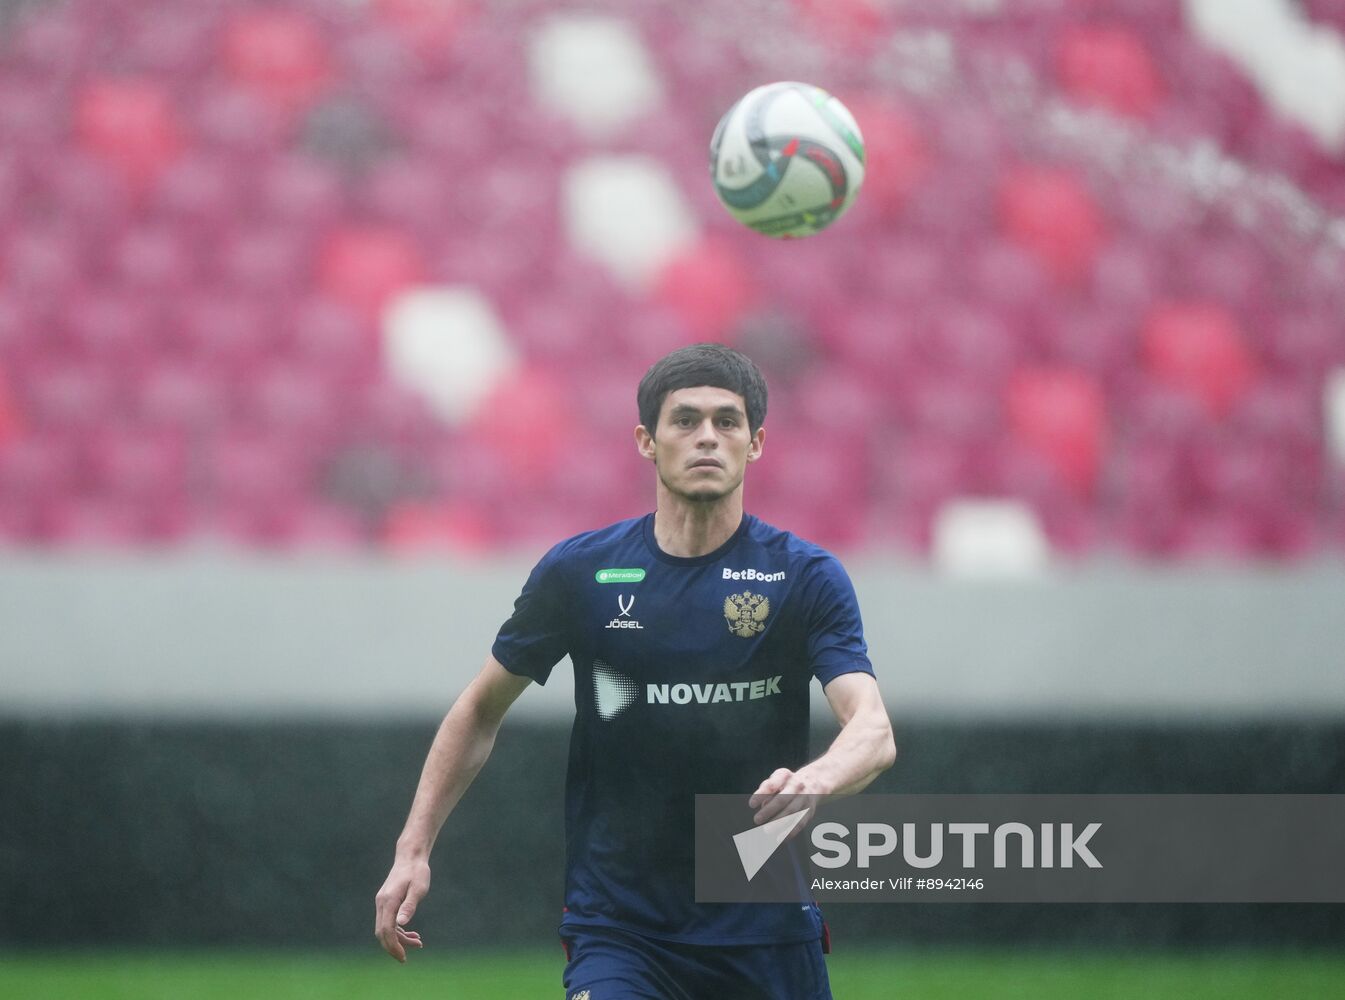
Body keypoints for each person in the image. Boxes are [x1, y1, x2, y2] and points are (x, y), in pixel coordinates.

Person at [375, 343, 895, 999]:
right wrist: (412, 849)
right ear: (647, 441)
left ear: (755, 442)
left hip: (763, 920)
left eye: (726, 421)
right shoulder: (578, 573)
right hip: (620, 927)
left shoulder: (804, 576)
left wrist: (817, 777)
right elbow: (480, 709)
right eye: (684, 420)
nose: (706, 436)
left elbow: (871, 728)